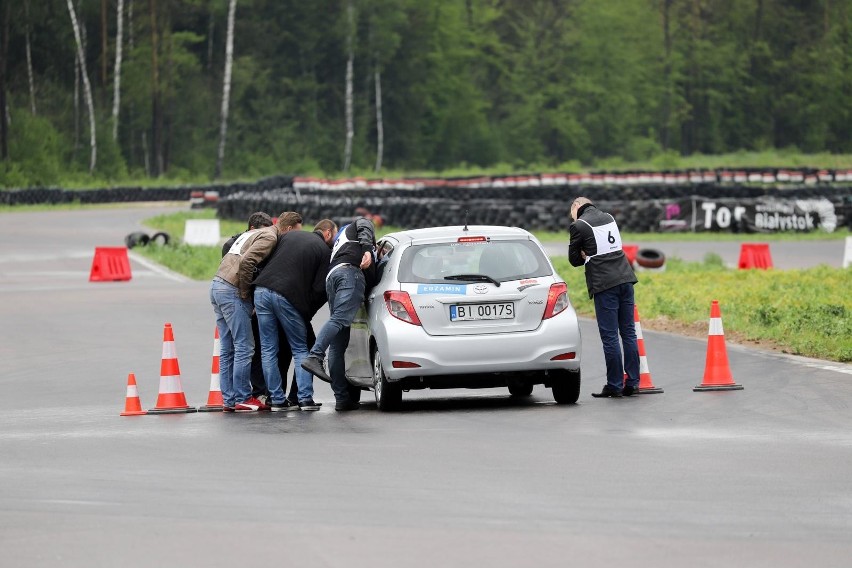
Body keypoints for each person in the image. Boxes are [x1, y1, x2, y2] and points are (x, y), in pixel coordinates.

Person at [210, 211, 302, 412]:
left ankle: (230, 399)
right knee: (245, 347)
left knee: (228, 348)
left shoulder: (252, 233)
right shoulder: (269, 236)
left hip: (217, 285)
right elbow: (247, 262)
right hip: (232, 290)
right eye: (294, 234)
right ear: (286, 229)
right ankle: (243, 397)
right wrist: (244, 294)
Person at [253, 219, 337, 411]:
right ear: (327, 233)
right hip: (287, 297)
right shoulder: (325, 252)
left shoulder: (288, 236)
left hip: (261, 290)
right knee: (301, 349)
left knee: (268, 349)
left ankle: (276, 399)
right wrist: (305, 314)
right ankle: (305, 398)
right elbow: (319, 290)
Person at [568, 197, 640, 398]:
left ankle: (615, 385)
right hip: (626, 279)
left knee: (610, 337)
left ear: (576, 207)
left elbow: (574, 260)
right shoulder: (609, 217)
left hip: (605, 285)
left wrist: (583, 254)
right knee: (628, 333)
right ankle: (633, 382)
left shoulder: (579, 226)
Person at [301, 217, 376, 411]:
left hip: (333, 278)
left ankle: (342, 399)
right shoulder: (353, 229)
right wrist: (368, 248)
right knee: (340, 319)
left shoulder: (340, 243)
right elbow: (364, 222)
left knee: (338, 343)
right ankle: (315, 356)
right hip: (349, 275)